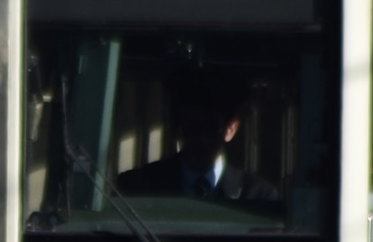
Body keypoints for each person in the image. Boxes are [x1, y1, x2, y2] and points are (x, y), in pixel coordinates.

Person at [117, 82, 278, 205]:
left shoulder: (258, 196)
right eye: (191, 126)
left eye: (212, 128)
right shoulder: (137, 188)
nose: (201, 138)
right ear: (177, 128)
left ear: (231, 129)